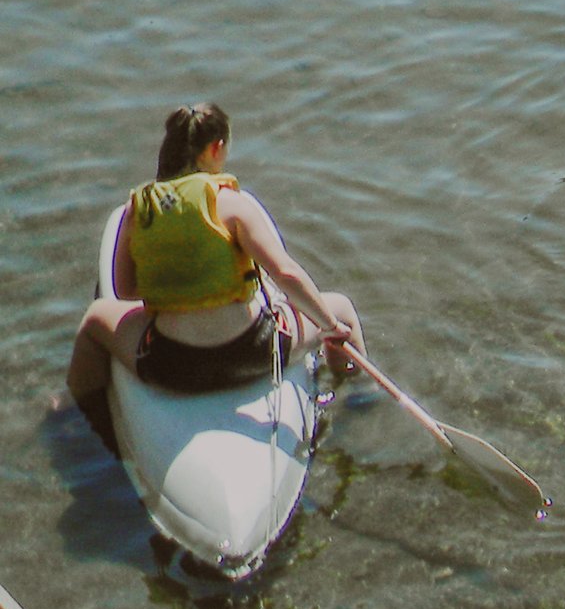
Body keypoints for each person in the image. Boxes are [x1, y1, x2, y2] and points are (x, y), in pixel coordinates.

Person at [66, 104, 363, 458]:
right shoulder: (232, 204)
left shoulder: (139, 209)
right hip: (252, 354)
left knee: (95, 319)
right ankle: (353, 392)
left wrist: (178, 282)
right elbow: (286, 274)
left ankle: (81, 416)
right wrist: (328, 326)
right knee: (342, 307)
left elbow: (125, 291)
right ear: (216, 148)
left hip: (172, 365)